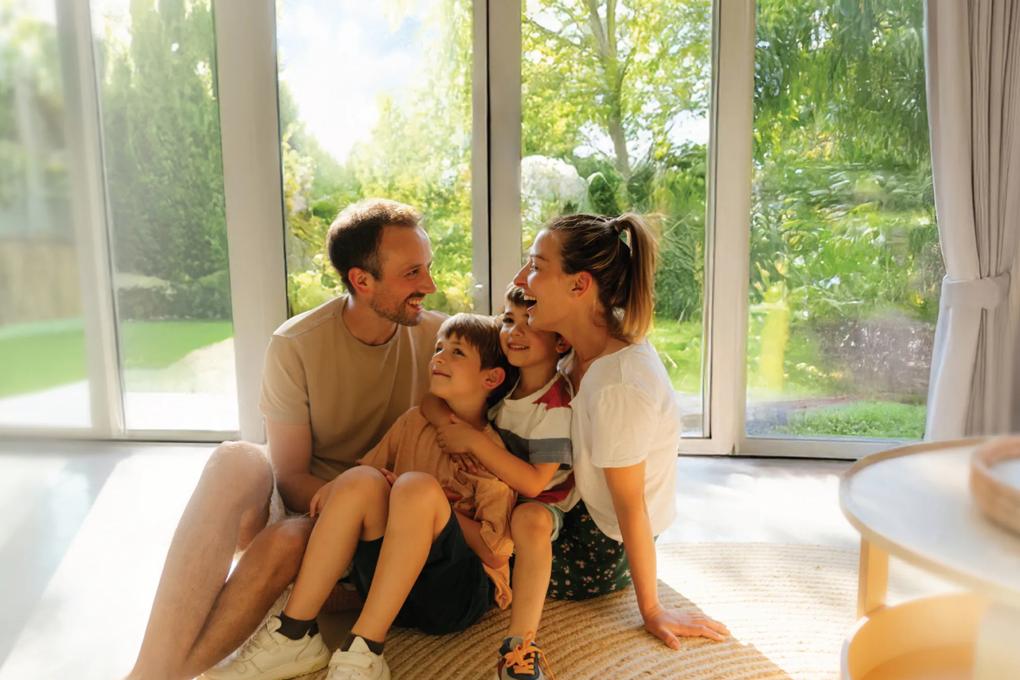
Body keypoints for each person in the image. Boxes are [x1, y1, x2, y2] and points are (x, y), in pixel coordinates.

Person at [125, 198, 444, 680]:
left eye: (428, 268)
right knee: (236, 460)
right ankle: (151, 671)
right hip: (313, 501)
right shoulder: (296, 343)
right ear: (361, 280)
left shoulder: (442, 342)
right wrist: (340, 500)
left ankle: (157, 675)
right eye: (413, 272)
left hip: (380, 525)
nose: (430, 285)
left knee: (288, 539)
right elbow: (290, 475)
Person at [205, 313, 516, 680]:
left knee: (414, 488)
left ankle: (366, 646)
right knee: (361, 480)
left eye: (457, 352)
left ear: (491, 378)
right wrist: (341, 492)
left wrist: (436, 507)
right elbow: (366, 477)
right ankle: (294, 632)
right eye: (438, 347)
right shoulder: (413, 422)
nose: (439, 357)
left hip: (455, 597)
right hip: (390, 587)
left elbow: (496, 552)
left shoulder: (489, 452)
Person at [510, 212, 730, 663]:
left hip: (601, 545)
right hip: (581, 501)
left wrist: (652, 610)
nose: (520, 279)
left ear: (579, 285)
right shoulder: (584, 340)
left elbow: (631, 506)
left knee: (476, 547)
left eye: (535, 266)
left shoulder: (619, 385)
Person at [424, 284, 574, 679]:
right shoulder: (502, 380)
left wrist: (473, 441)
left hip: (537, 498)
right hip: (488, 488)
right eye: (508, 319)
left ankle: (519, 645)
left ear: (560, 341)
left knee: (529, 520)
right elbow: (430, 401)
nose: (515, 331)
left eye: (531, 321)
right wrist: (449, 428)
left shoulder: (555, 405)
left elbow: (535, 484)